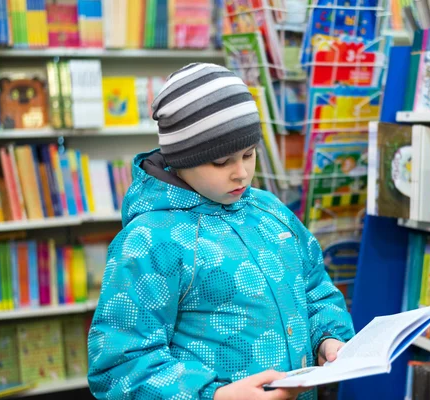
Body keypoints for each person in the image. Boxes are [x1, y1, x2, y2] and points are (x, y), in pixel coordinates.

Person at [87, 63, 355, 400]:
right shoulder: (149, 241)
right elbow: (119, 366)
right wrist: (214, 395)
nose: (241, 173)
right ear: (181, 158)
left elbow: (314, 289)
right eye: (221, 162)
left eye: (249, 154)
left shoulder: (270, 211)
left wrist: (327, 338)